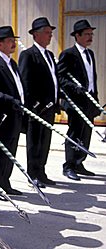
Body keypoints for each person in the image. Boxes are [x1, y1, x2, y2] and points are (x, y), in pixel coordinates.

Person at [18, 17, 60, 188]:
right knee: (35, 142)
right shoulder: (28, 55)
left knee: (45, 142)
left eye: (51, 33)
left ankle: (41, 172)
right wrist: (34, 107)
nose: (50, 36)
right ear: (36, 35)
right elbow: (26, 83)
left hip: (49, 109)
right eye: (47, 33)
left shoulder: (49, 55)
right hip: (37, 110)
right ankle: (33, 174)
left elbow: (54, 81)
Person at [0, 26, 25, 200]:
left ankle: (5, 183)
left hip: (15, 116)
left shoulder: (12, 63)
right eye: (9, 41)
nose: (13, 44)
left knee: (11, 152)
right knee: (0, 153)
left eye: (14, 41)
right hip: (4, 117)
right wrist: (11, 101)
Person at [57, 19, 100, 180]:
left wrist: (94, 96)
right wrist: (75, 88)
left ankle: (79, 162)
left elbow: (91, 78)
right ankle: (69, 165)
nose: (90, 37)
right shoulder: (68, 54)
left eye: (91, 34)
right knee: (75, 132)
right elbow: (60, 77)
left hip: (89, 101)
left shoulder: (90, 54)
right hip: (75, 101)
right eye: (87, 34)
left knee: (86, 133)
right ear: (77, 35)